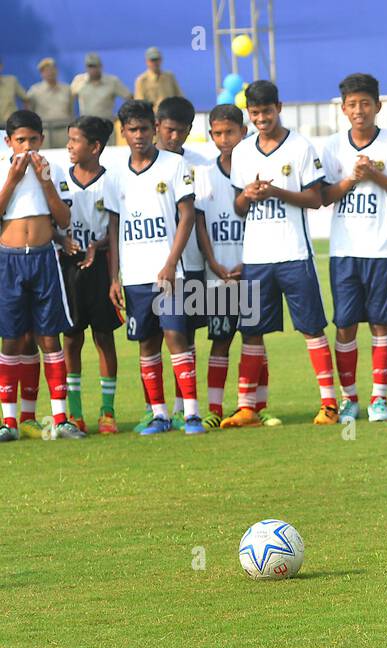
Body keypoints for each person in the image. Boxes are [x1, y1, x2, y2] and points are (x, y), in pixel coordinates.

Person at [223, 80, 339, 427]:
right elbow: (238, 207)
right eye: (255, 113)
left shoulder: (300, 147)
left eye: (267, 112)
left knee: (311, 328)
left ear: (279, 108)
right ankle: (248, 407)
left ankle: (330, 405)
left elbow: (316, 199)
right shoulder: (243, 152)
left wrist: (274, 191)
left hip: (294, 253)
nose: (261, 119)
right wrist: (248, 194)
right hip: (256, 256)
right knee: (252, 329)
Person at [319, 73, 387, 424]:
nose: (359, 110)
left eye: (365, 103)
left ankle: (379, 398)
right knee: (344, 324)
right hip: (344, 251)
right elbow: (322, 198)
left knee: (380, 323)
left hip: (380, 250)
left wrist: (374, 175)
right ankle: (349, 399)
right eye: (352, 104)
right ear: (343, 109)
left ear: (378, 106)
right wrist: (351, 179)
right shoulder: (332, 147)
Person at [103, 99, 199, 436]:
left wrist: (171, 263)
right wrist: (114, 275)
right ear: (123, 132)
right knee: (146, 342)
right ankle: (158, 415)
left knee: (176, 335)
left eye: (145, 128)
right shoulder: (114, 175)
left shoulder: (175, 166)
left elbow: (186, 216)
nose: (139, 135)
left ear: (154, 128)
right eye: (133, 129)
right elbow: (113, 228)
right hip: (135, 275)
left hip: (170, 273)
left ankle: (191, 414)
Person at [0, 110, 78, 442]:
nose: (27, 147)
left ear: (42, 140)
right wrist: (13, 180)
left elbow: (63, 220)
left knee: (49, 337)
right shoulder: (4, 169)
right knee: (12, 338)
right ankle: (10, 421)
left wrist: (45, 182)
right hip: (10, 260)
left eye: (33, 139)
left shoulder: (53, 168)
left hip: (45, 258)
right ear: (8, 142)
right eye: (20, 140)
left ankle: (60, 417)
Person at [194, 103, 270, 429]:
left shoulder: (255, 172)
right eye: (218, 133)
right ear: (211, 135)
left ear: (244, 132)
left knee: (255, 337)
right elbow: (198, 223)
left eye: (231, 132)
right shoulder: (204, 175)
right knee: (221, 339)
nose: (225, 139)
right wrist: (214, 263)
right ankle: (214, 409)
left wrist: (246, 261)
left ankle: (252, 407)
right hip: (218, 274)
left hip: (251, 269)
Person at [155, 96, 213, 432]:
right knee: (155, 336)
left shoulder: (200, 165)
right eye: (169, 129)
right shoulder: (141, 162)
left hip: (191, 265)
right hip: (152, 266)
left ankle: (183, 406)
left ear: (190, 131)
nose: (174, 137)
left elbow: (200, 219)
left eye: (181, 131)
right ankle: (159, 409)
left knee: (186, 335)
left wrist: (211, 263)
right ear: (158, 125)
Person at [59, 115, 120, 433]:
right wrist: (60, 239)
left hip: (100, 266)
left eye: (76, 140)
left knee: (103, 336)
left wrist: (101, 252)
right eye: (69, 138)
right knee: (70, 338)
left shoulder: (112, 181)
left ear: (95, 147)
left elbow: (118, 228)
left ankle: (107, 412)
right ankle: (76, 413)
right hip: (68, 266)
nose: (69, 145)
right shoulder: (59, 179)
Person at [26, 59, 74, 149]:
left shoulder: (66, 89)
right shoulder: (34, 91)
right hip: (45, 133)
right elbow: (30, 112)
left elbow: (70, 110)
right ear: (41, 73)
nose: (50, 72)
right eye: (47, 70)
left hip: (64, 132)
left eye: (53, 69)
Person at [70, 54, 131, 122]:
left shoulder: (112, 81)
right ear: (86, 67)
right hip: (86, 124)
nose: (93, 69)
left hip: (106, 124)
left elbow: (129, 97)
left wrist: (120, 116)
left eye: (95, 66)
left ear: (101, 66)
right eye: (90, 66)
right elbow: (69, 99)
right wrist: (72, 117)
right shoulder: (79, 80)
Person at [0, 60, 26, 124]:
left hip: (11, 125)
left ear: (1, 66)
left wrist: (25, 118)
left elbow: (26, 99)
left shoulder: (12, 81)